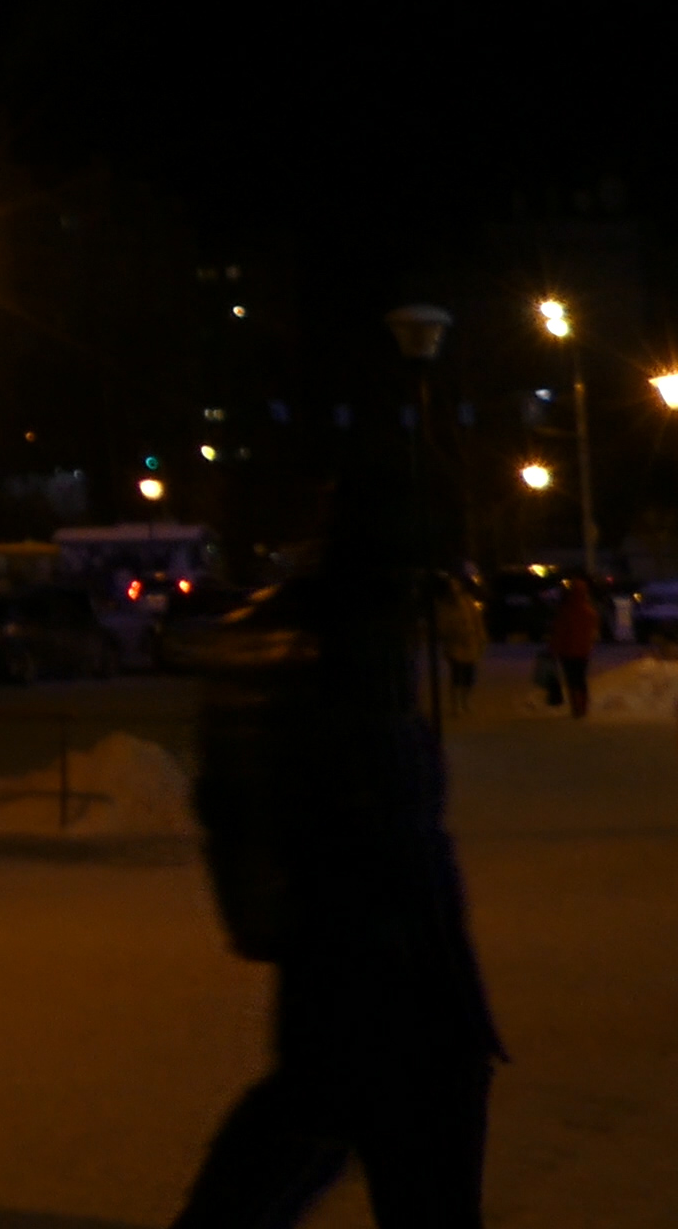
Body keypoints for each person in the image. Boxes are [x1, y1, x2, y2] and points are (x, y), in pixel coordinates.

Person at [176, 468, 503, 1227]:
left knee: (329, 1123)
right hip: (368, 947)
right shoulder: (321, 634)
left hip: (382, 948)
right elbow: (251, 797)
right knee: (340, 1121)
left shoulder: (354, 628)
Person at [546, 577, 599, 719]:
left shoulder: (565, 611)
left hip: (567, 651)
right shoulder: (589, 612)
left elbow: (559, 632)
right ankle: (582, 706)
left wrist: (553, 647)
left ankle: (576, 706)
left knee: (571, 679)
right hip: (583, 651)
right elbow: (593, 632)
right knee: (580, 678)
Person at [435, 576, 488, 716]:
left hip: (470, 644)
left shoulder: (468, 601)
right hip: (455, 645)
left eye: (456, 586)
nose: (455, 589)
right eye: (452, 586)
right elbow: (442, 626)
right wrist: (449, 634)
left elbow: (477, 620)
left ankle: (465, 702)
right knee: (457, 675)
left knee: (469, 676)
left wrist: (481, 637)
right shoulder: (445, 606)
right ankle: (456, 705)